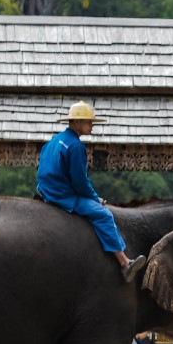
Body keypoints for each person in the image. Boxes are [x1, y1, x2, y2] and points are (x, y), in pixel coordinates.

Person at [36, 101, 129, 270]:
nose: (92, 126)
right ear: (77, 122)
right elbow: (80, 182)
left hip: (46, 190)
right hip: (63, 196)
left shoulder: (54, 140)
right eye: (89, 122)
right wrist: (95, 199)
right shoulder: (76, 146)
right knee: (104, 215)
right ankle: (124, 262)